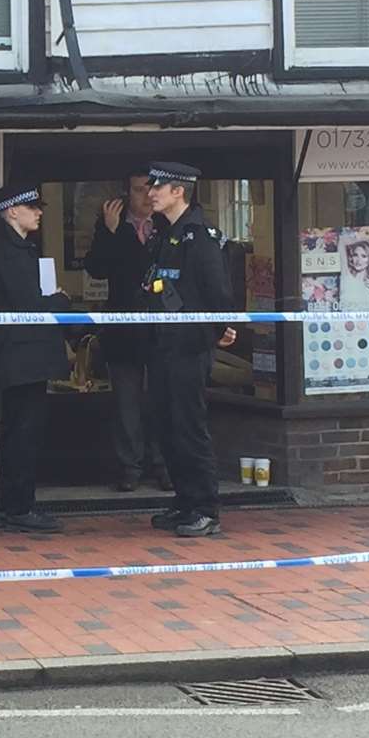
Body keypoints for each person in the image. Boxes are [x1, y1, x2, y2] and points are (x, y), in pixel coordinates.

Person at [141, 162, 236, 538]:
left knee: (189, 426)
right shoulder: (165, 235)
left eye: (157, 187)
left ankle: (205, 507)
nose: (151, 193)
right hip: (162, 344)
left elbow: (218, 290)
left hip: (189, 345)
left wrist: (222, 329)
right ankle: (183, 501)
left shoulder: (200, 236)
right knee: (167, 426)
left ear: (178, 190)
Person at [0, 183, 72, 533]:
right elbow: (30, 307)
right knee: (23, 433)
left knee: (18, 431)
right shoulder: (9, 254)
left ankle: (13, 506)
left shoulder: (14, 251)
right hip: (20, 360)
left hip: (19, 359)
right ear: (12, 211)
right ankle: (18, 508)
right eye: (32, 207)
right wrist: (61, 300)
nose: (39, 212)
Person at [84, 168, 170, 492]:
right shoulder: (112, 225)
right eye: (138, 190)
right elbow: (96, 268)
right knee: (127, 402)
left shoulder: (166, 224)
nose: (146, 196)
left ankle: (163, 464)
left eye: (151, 189)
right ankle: (130, 467)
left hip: (161, 327)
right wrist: (110, 232)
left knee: (161, 400)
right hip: (123, 326)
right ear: (125, 194)